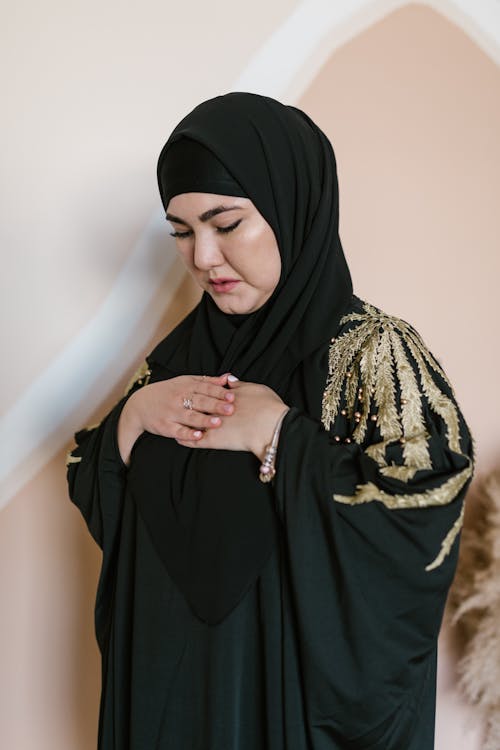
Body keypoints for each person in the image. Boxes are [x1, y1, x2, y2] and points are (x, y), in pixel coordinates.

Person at [66, 91, 474, 750]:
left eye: (226, 225)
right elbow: (93, 477)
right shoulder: (178, 360)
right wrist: (130, 421)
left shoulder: (372, 353)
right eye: (181, 231)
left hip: (292, 712)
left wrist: (281, 436)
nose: (201, 258)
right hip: (169, 707)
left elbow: (425, 504)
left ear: (294, 207)